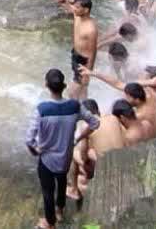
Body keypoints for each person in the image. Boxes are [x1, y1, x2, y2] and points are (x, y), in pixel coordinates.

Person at [26, 68, 98, 229]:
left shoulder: (41, 110)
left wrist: (35, 151)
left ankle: (50, 222)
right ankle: (60, 210)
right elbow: (95, 123)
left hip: (47, 159)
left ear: (46, 85)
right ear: (64, 86)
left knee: (47, 191)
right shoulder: (74, 106)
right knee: (62, 180)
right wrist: (78, 138)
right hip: (65, 157)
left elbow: (29, 140)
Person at [59, 0, 97, 99]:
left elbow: (92, 52)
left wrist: (88, 73)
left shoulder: (91, 29)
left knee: (72, 93)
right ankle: (86, 109)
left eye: (77, 7)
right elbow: (59, 0)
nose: (74, 9)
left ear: (86, 10)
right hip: (75, 54)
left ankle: (75, 111)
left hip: (83, 62)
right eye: (74, 6)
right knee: (82, 90)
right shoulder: (77, 15)